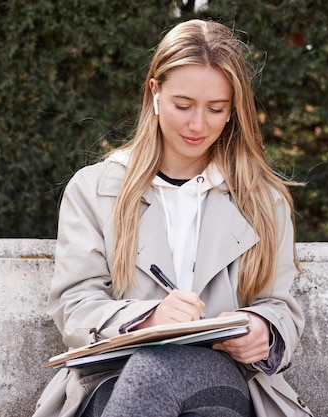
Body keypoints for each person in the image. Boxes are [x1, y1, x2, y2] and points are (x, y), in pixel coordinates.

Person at [33, 19, 313, 417]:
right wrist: (147, 319)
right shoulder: (93, 189)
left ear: (234, 109)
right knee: (152, 372)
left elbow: (279, 304)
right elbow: (75, 306)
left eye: (216, 109)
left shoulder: (263, 199)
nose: (198, 125)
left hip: (226, 379)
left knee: (168, 378)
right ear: (155, 93)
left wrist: (262, 330)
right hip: (111, 380)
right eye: (183, 106)